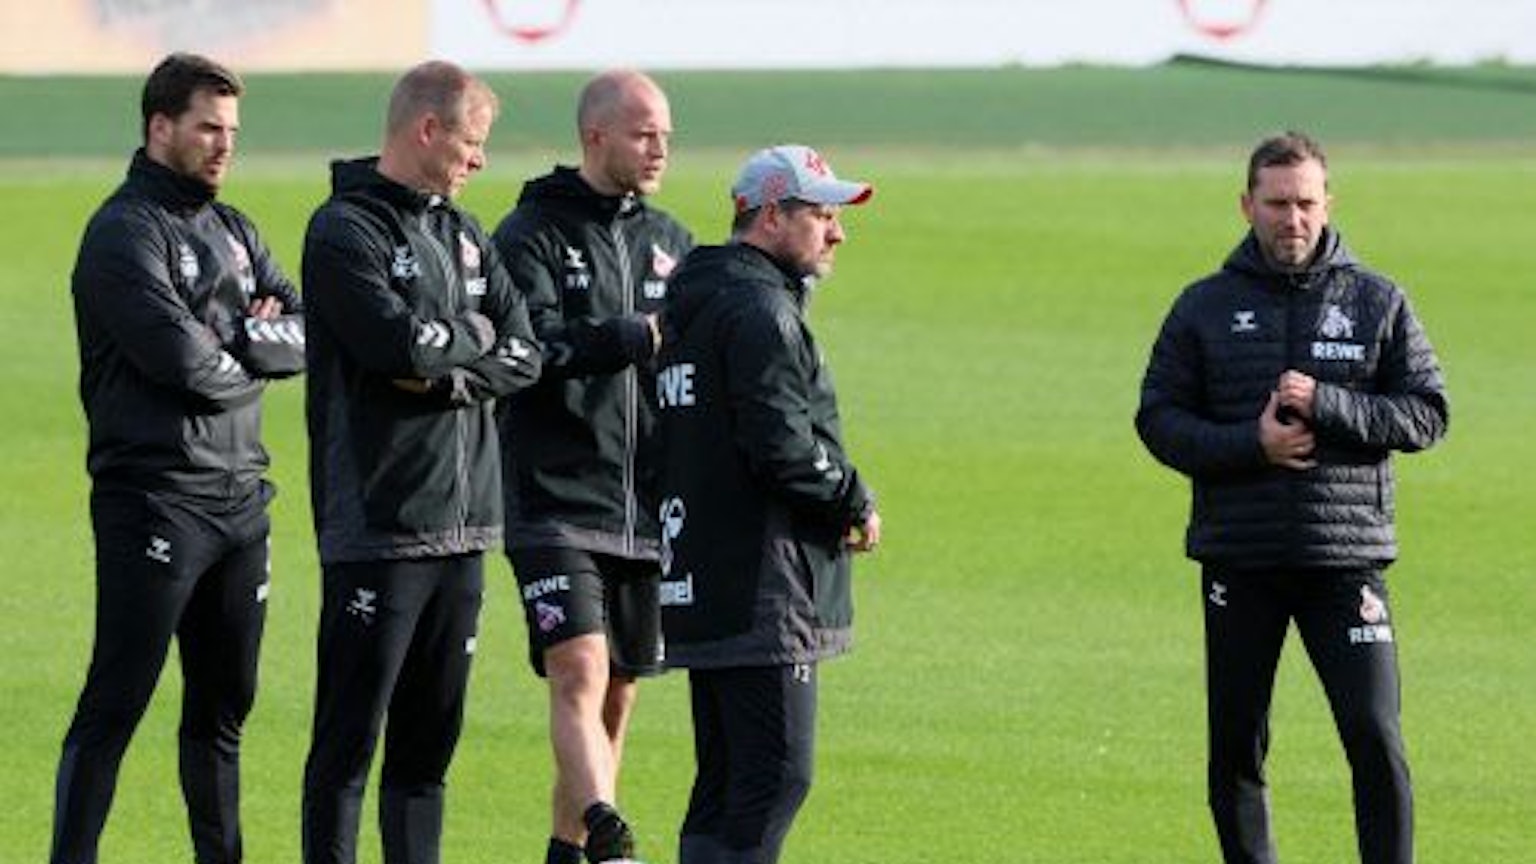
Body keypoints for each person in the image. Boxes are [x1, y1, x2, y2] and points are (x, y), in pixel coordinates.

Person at [1135, 131, 1448, 864]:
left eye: (1306, 202)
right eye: (1276, 204)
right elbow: (1158, 419)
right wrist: (1254, 445)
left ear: (1328, 203)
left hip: (1344, 561)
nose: (1292, 219)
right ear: (1248, 205)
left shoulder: (1376, 301)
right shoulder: (1203, 307)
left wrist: (1331, 405)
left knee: (1375, 735)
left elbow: (1428, 414)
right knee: (1238, 745)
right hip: (1241, 560)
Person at [55, 52, 305, 864]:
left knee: (225, 707)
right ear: (160, 127)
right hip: (155, 499)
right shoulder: (123, 233)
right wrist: (247, 339)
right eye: (207, 127)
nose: (223, 144)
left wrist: (232, 339)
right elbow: (182, 365)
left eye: (231, 129)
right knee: (118, 700)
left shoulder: (234, 231)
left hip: (241, 501)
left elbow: (303, 334)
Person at [299, 61, 541, 864]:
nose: (479, 161)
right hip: (380, 525)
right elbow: (393, 344)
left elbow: (527, 350)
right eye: (471, 143)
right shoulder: (345, 230)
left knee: (426, 757)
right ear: (427, 130)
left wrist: (449, 362)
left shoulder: (466, 233)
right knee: (347, 750)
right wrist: (469, 340)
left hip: (468, 526)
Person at [653, 144, 883, 864]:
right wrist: (853, 496)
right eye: (821, 214)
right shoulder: (759, 311)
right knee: (775, 777)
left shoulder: (694, 304)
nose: (837, 232)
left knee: (724, 784)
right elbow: (782, 446)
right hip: (763, 581)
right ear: (772, 217)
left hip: (703, 572)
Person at [490, 68, 693, 864]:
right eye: (644, 134)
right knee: (578, 665)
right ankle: (610, 829)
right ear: (595, 136)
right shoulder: (529, 235)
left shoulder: (673, 241)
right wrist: (628, 337)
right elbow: (526, 350)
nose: (658, 150)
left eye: (667, 136)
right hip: (552, 494)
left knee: (617, 692)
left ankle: (570, 848)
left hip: (644, 506)